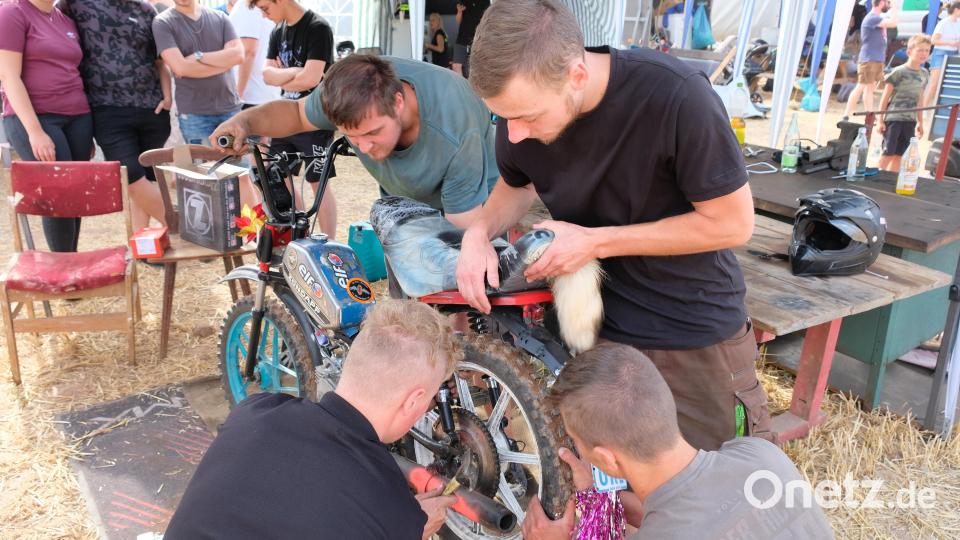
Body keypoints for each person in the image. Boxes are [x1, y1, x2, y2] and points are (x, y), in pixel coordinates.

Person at [456, 0, 773, 451]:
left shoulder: (676, 96)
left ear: (577, 76)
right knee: (614, 488)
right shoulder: (518, 116)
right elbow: (516, 185)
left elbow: (733, 224)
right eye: (503, 118)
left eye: (527, 116)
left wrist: (595, 242)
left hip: (689, 332)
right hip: (597, 332)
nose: (515, 133)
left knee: (719, 484)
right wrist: (477, 233)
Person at [163, 300, 459, 539]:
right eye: (432, 396)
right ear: (413, 400)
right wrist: (410, 529)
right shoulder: (388, 504)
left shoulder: (256, 410)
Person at [521, 343, 835, 540]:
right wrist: (596, 494)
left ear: (608, 458)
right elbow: (700, 513)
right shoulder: (760, 455)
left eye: (579, 442)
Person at [211, 53, 498, 230]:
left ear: (398, 102)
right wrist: (244, 122)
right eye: (352, 136)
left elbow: (463, 233)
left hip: (474, 201)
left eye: (373, 133)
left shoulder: (454, 129)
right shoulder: (350, 93)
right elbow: (296, 113)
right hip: (406, 198)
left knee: (458, 303)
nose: (364, 147)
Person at [59, 0, 174, 232]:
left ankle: (142, 247)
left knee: (147, 178)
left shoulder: (145, 9)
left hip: (152, 109)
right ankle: (184, 229)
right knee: (130, 176)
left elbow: (159, 62)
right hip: (106, 109)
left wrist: (168, 96)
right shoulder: (74, 5)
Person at [0, 0, 92, 253]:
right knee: (58, 192)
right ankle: (63, 268)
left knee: (75, 192)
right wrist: (35, 131)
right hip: (37, 117)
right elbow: (8, 76)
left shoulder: (64, 17)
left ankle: (70, 261)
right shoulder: (12, 12)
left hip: (78, 117)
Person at [253, 0, 337, 237]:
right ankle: (302, 239)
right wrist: (293, 73)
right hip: (284, 117)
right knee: (281, 179)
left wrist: (280, 75)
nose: (264, 15)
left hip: (314, 117)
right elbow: (265, 75)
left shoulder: (317, 27)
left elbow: (311, 79)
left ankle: (328, 243)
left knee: (318, 183)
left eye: (265, 8)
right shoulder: (277, 31)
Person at [153, 0, 243, 147]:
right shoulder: (163, 22)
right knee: (202, 168)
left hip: (230, 109)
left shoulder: (220, 18)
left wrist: (199, 56)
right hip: (195, 115)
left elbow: (238, 55)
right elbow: (180, 68)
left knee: (239, 168)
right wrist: (224, 63)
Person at [878, 34, 931, 172]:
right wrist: (880, 121)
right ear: (909, 52)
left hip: (910, 120)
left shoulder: (925, 74)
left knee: (901, 154)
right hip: (894, 119)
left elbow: (920, 100)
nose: (924, 53)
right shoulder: (898, 72)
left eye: (927, 50)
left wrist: (920, 122)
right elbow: (885, 98)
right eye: (920, 50)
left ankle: (890, 179)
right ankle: (877, 178)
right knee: (888, 152)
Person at [844, 0, 900, 119]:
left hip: (876, 58)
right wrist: (895, 6)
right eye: (887, 2)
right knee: (861, 86)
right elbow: (893, 23)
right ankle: (846, 114)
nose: (888, 5)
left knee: (870, 88)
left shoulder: (876, 18)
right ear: (881, 2)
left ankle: (869, 115)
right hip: (869, 58)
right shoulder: (872, 18)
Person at [229, 0, 279, 110]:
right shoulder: (260, 4)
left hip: (250, 98)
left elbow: (248, 52)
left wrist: (238, 97)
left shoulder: (246, 6)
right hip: (265, 94)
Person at [925, 2, 960, 111]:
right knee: (934, 83)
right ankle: (924, 108)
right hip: (941, 53)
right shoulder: (944, 23)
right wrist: (950, 43)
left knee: (946, 83)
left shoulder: (958, 23)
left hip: (953, 54)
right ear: (956, 10)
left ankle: (935, 109)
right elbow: (933, 40)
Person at [452, 0, 490, 77]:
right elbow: (459, 22)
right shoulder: (463, 1)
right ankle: (461, 88)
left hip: (477, 39)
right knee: (456, 66)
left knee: (474, 68)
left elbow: (487, 19)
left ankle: (472, 87)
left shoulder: (485, 1)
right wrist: (459, 12)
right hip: (461, 39)